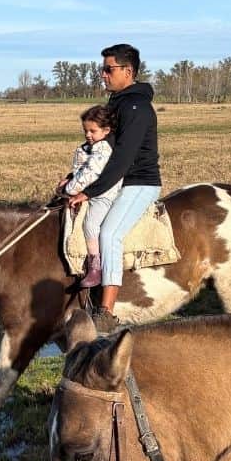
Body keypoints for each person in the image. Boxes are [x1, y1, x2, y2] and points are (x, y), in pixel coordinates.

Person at [66, 43, 161, 333]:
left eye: (109, 69)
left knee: (109, 233)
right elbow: (100, 152)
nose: (103, 75)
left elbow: (121, 159)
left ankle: (106, 310)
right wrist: (74, 177)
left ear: (128, 71)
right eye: (102, 69)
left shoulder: (137, 108)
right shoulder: (117, 104)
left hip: (139, 182)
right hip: (118, 180)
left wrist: (89, 191)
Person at [58, 105, 120, 288]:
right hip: (88, 192)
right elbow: (81, 171)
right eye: (85, 130)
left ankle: (96, 267)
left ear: (106, 130)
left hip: (103, 195)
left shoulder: (103, 149)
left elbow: (91, 173)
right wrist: (69, 178)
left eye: (93, 131)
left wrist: (69, 189)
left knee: (90, 225)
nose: (88, 134)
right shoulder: (91, 147)